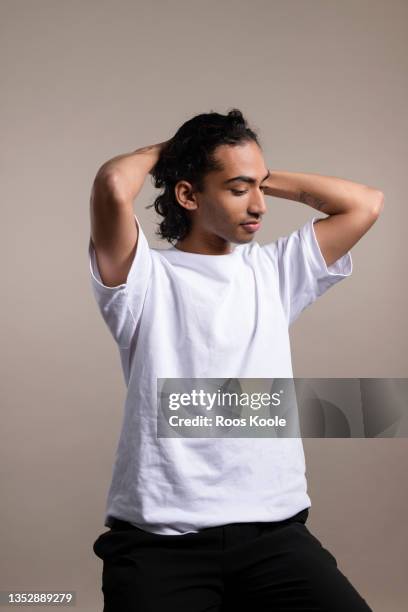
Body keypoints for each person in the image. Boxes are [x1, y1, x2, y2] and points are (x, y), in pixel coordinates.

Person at [89, 109, 383, 611]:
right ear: (188, 194)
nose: (261, 205)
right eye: (238, 189)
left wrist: (250, 176)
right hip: (161, 544)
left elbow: (364, 204)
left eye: (261, 187)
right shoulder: (143, 278)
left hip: (273, 538)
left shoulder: (274, 271)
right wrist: (177, 152)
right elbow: (115, 183)